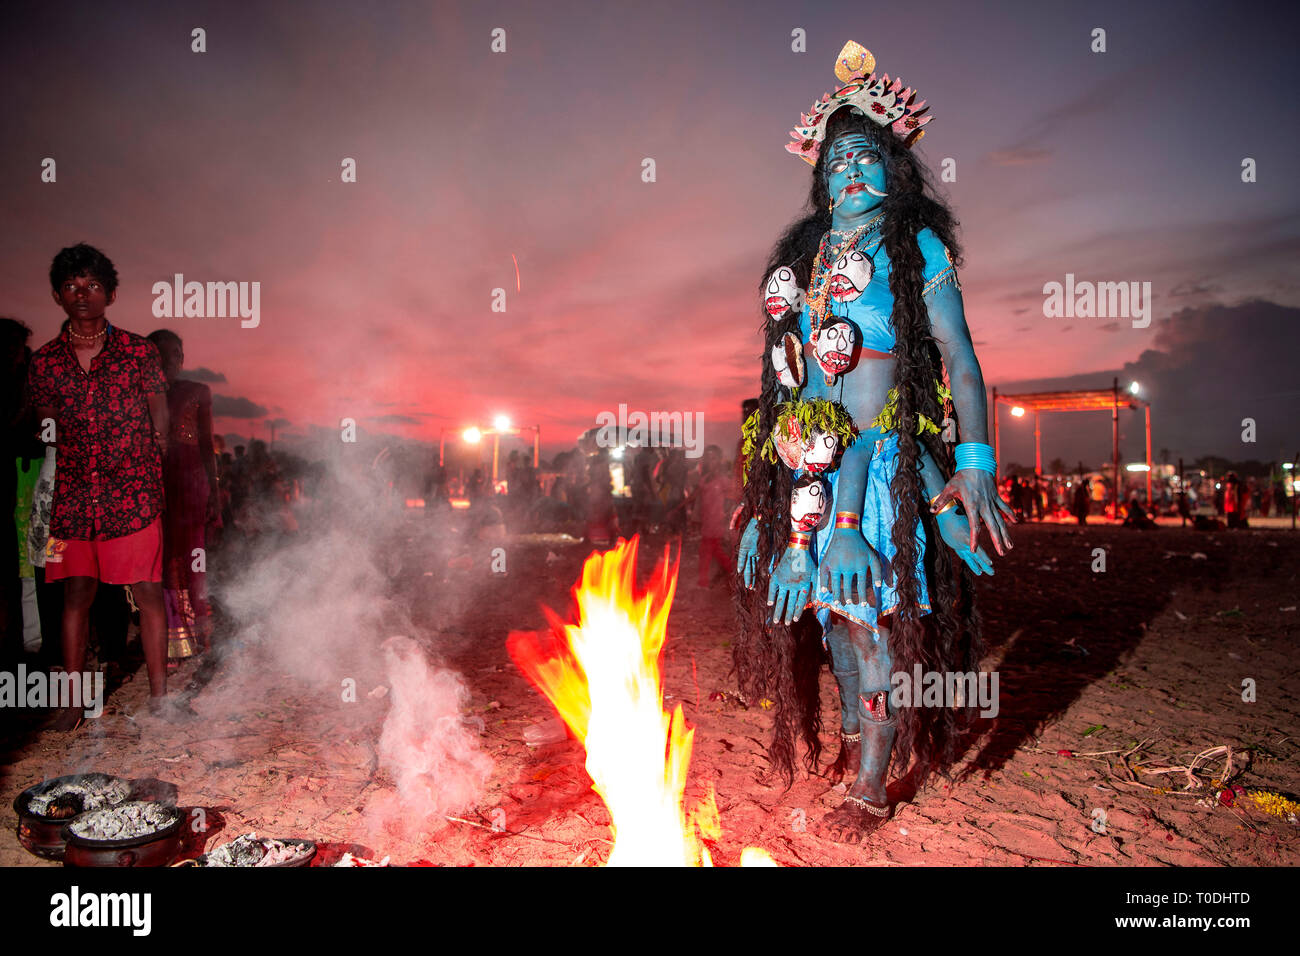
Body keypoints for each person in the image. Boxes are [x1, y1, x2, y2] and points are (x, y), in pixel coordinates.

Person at [733, 42, 1012, 843]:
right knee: (827, 616)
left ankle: (873, 776)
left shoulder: (915, 247)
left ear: (896, 169)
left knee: (870, 617)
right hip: (811, 460)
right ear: (820, 181)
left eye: (867, 156)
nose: (850, 171)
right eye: (836, 161)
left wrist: (973, 463)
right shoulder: (807, 261)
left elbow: (958, 356)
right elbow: (790, 385)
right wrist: (767, 498)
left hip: (883, 459)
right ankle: (857, 735)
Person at [25, 243, 189, 728]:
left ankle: (160, 698)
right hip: (75, 495)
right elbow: (45, 426)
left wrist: (142, 466)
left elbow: (160, 425)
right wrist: (54, 433)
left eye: (92, 286)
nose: (82, 294)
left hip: (132, 495)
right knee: (76, 593)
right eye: (72, 286)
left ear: (110, 294)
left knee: (147, 591)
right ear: (58, 295)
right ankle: (73, 702)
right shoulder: (46, 362)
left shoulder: (140, 353)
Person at [147, 330, 218, 661]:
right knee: (161, 561)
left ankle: (201, 634)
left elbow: (206, 445)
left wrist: (213, 492)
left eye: (175, 354)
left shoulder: (197, 391)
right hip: (153, 483)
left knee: (194, 559)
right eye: (160, 354)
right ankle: (174, 640)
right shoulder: (139, 393)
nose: (169, 361)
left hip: (190, 483)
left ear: (183, 357)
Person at [690, 445, 732, 588]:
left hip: (718, 521)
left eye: (713, 458)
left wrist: (728, 518)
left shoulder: (724, 480)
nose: (710, 461)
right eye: (707, 458)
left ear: (719, 460)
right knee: (712, 552)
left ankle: (704, 581)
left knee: (709, 551)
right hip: (707, 520)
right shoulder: (705, 478)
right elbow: (697, 499)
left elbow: (733, 498)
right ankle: (735, 576)